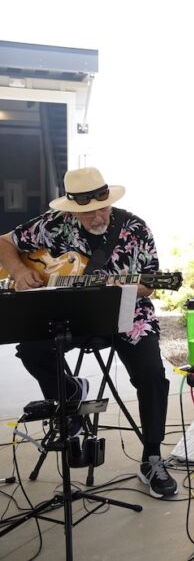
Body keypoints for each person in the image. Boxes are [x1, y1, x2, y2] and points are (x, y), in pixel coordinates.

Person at [0, 167, 178, 499]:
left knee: (153, 374)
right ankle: (69, 397)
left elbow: (150, 285)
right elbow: (5, 243)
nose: (96, 215)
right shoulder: (53, 224)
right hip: (71, 314)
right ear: (71, 209)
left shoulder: (135, 229)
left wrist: (126, 286)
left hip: (127, 315)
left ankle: (152, 457)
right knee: (31, 349)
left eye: (102, 207)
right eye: (86, 211)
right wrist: (20, 270)